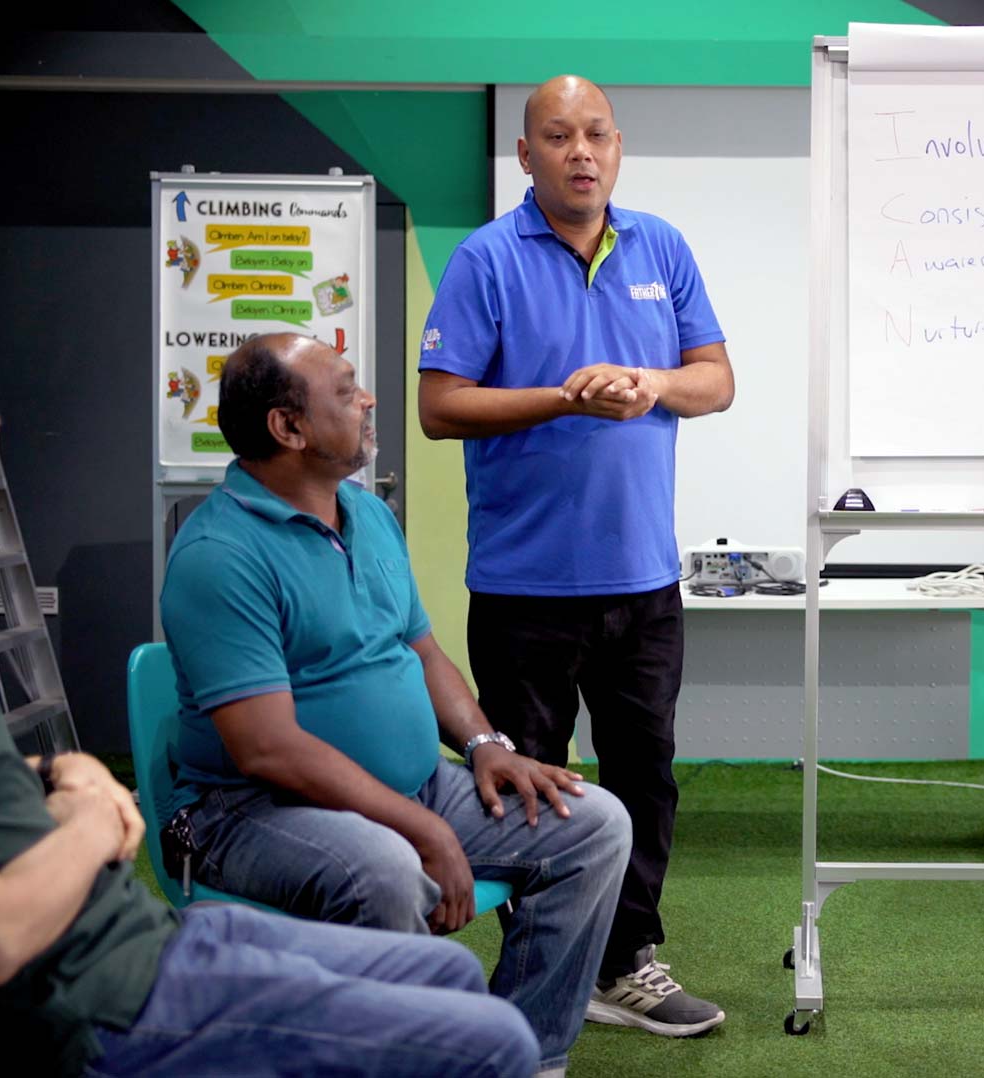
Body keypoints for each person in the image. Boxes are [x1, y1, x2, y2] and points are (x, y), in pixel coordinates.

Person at [0, 304, 538, 1078]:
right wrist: (95, 817)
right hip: (98, 1007)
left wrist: (54, 774)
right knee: (492, 1039)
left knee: (447, 974)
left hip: (132, 944)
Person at [158, 332, 632, 1077]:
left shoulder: (366, 514)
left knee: (593, 824)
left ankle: (525, 1057)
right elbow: (267, 748)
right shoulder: (219, 556)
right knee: (384, 871)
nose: (371, 399)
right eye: (346, 392)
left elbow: (421, 650)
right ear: (289, 428)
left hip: (412, 788)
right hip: (251, 810)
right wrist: (420, 829)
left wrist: (485, 746)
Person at [416, 73, 735, 1037]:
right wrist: (565, 395)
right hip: (525, 587)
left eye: (597, 134)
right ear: (527, 156)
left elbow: (716, 380)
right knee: (529, 780)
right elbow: (440, 406)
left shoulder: (662, 248)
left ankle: (625, 962)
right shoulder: (484, 260)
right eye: (559, 137)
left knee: (645, 773)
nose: (582, 152)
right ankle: (544, 970)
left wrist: (650, 383)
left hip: (646, 579)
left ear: (619, 147)